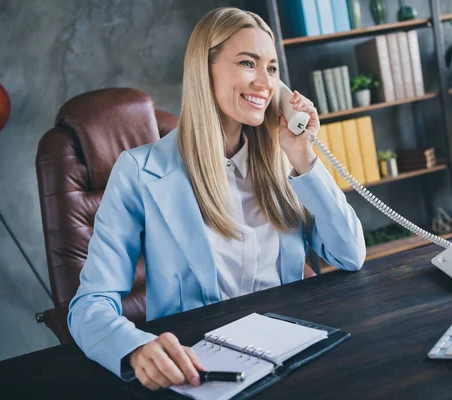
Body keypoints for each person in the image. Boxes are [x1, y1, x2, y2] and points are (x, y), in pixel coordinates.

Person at [67, 6, 365, 392]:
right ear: (203, 71)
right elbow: (89, 305)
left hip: (290, 356)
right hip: (202, 372)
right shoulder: (140, 172)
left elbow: (349, 255)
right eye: (247, 63)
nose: (265, 82)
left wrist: (303, 157)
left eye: (272, 69)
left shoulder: (283, 163)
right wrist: (136, 349)